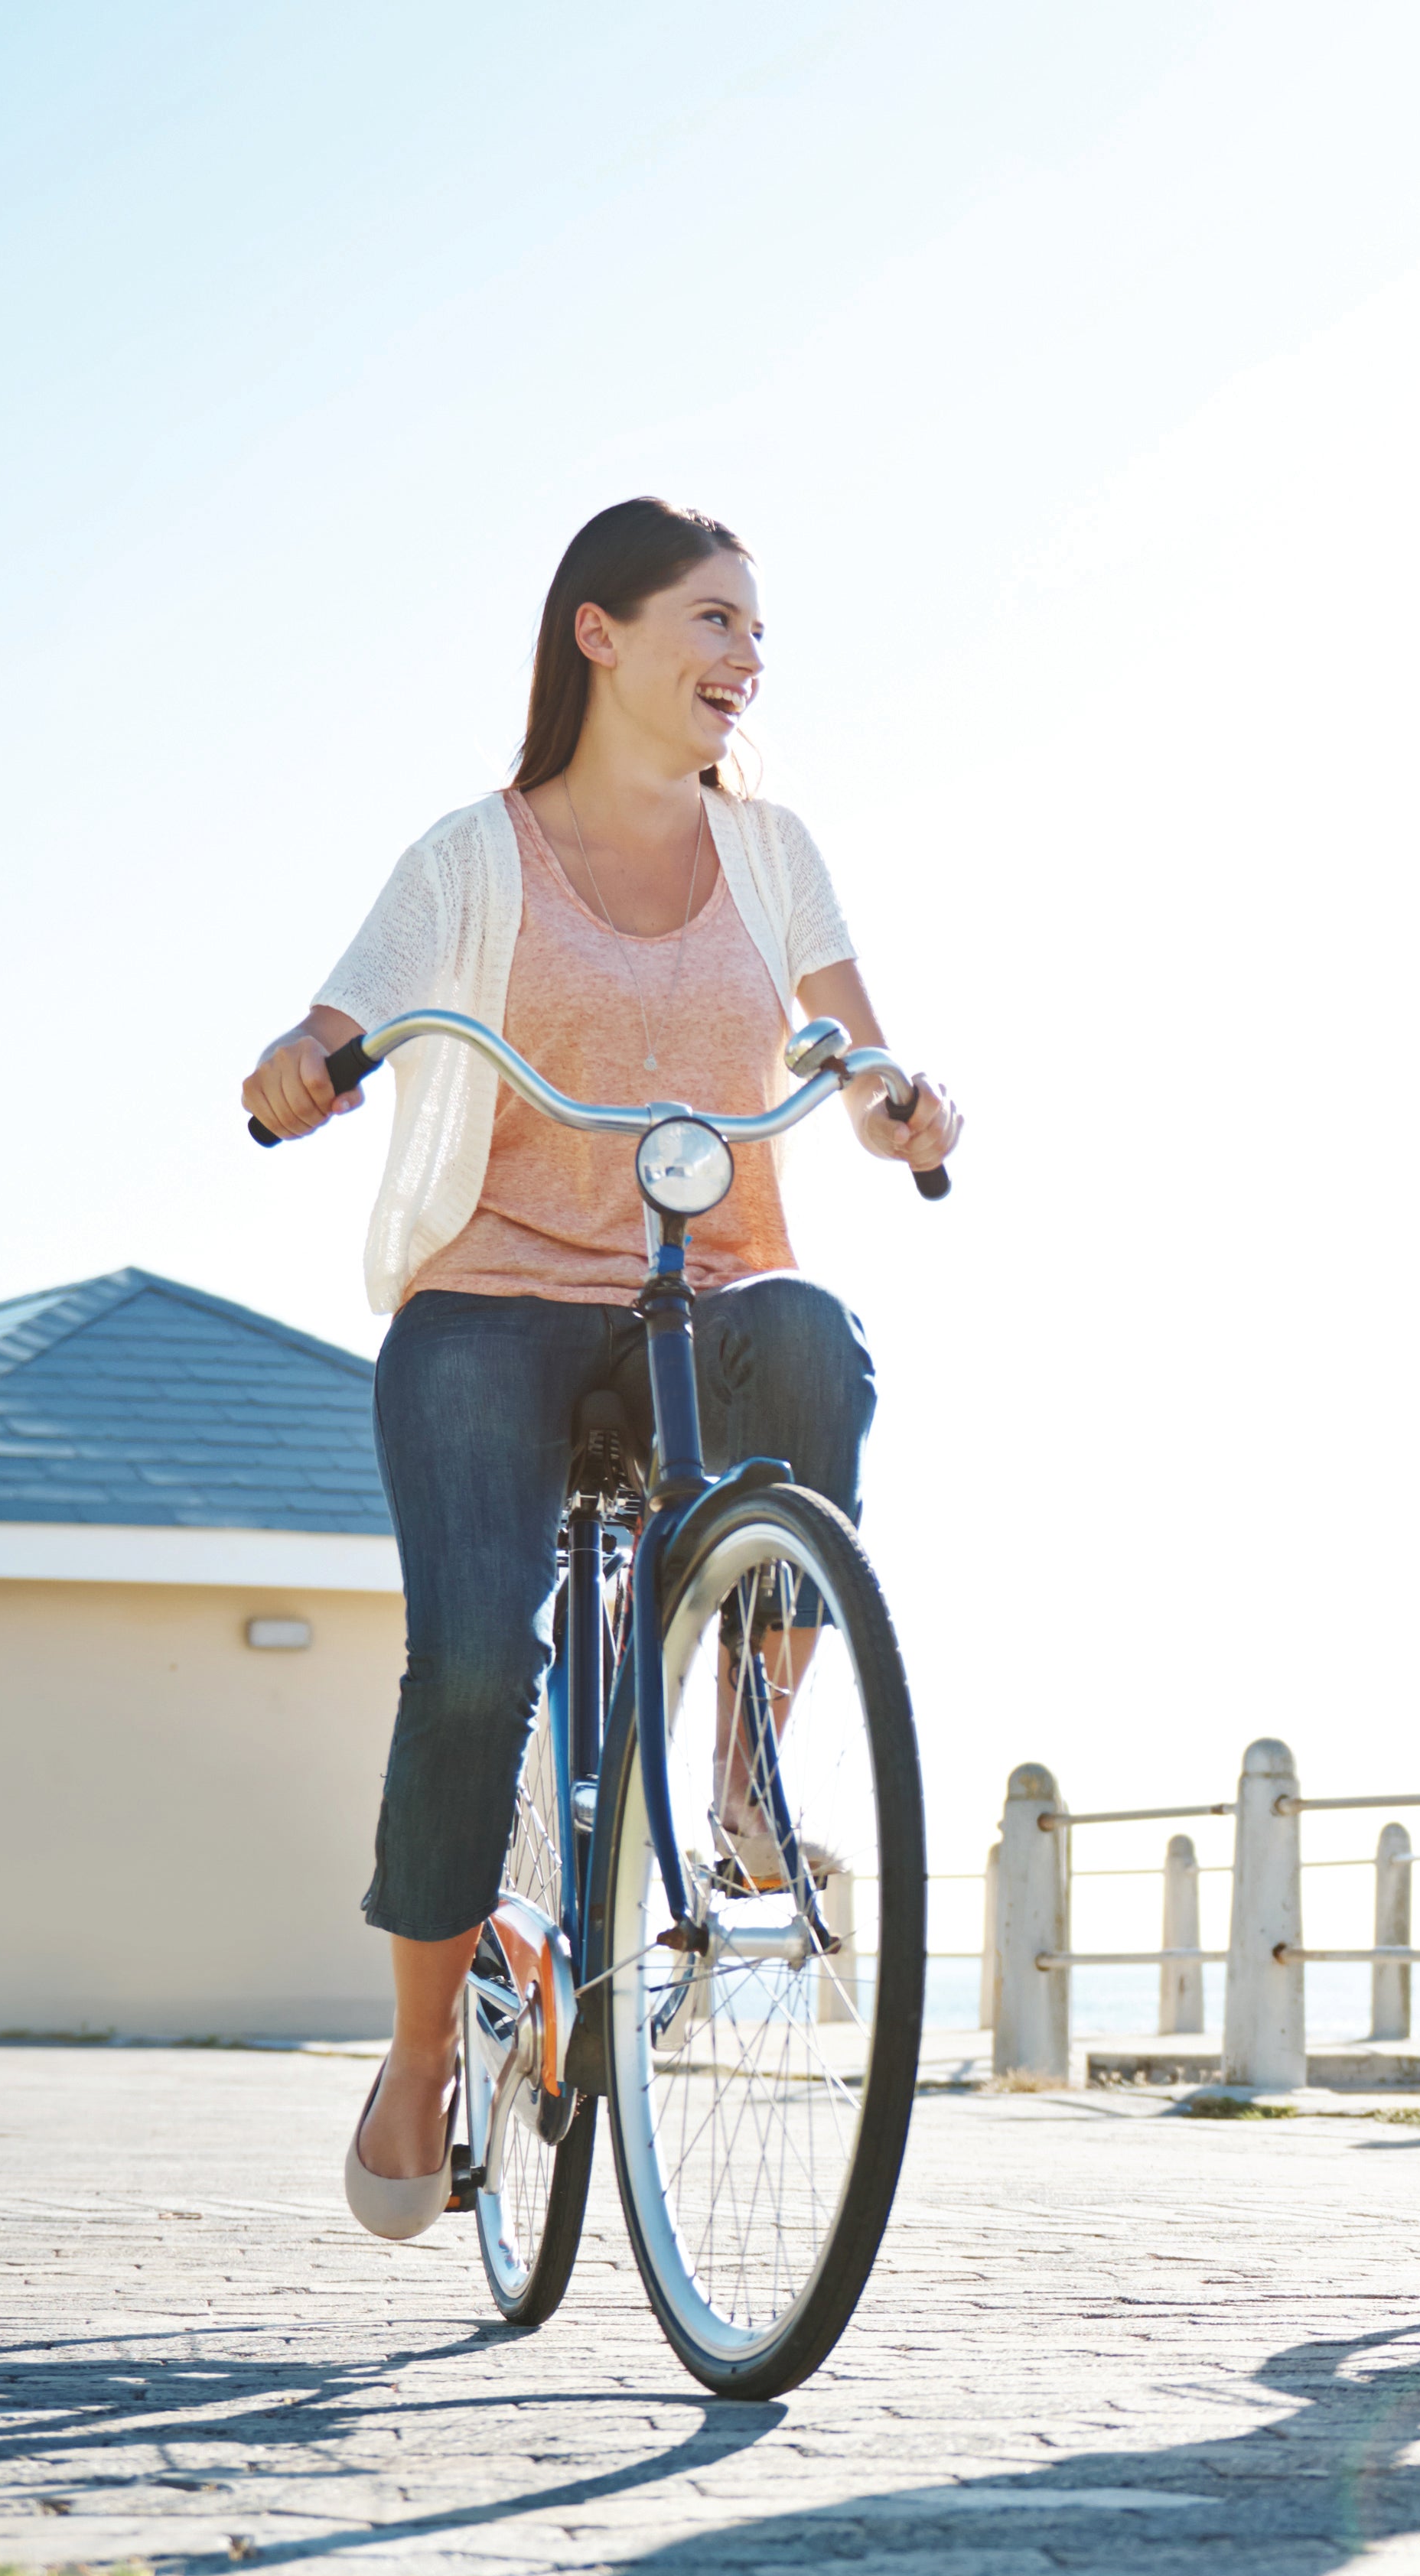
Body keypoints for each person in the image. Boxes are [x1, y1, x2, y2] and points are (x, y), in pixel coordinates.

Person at [240, 497, 963, 2242]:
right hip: (486, 1310)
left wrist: (905, 1104)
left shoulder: (774, 852)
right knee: (480, 1664)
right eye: (712, 622)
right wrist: (302, 1066)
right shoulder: (473, 858)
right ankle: (421, 2055)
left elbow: (855, 1057)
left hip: (691, 1305)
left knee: (812, 1336)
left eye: (755, 633)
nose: (745, 659)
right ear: (602, 636)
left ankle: (739, 1786)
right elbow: (340, 1024)